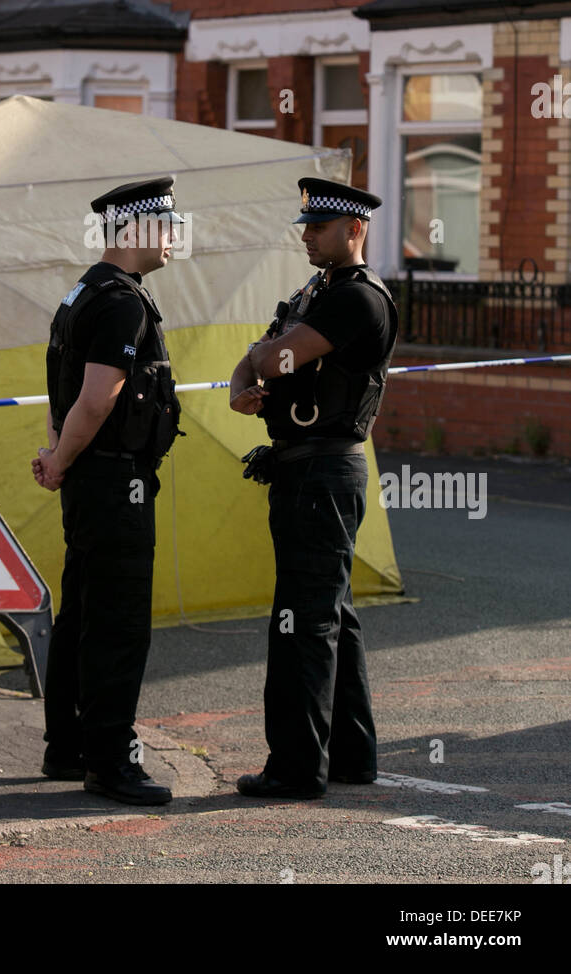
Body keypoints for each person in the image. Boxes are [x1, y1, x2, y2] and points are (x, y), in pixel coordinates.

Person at [229, 177, 398, 800]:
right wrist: (252, 366)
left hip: (324, 469)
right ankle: (351, 756)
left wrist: (262, 357)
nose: (307, 235)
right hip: (304, 465)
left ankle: (296, 768)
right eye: (305, 225)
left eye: (319, 226)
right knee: (333, 615)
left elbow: (276, 358)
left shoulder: (357, 299)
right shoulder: (317, 291)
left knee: (302, 619)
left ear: (354, 229)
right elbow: (257, 360)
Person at [32, 177, 185, 805]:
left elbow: (58, 390)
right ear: (137, 230)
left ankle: (66, 748)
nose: (174, 236)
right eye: (167, 225)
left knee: (81, 614)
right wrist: (64, 457)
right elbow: (96, 398)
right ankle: (112, 763)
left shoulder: (82, 292)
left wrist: (57, 457)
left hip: (88, 478)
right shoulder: (122, 301)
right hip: (114, 478)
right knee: (118, 622)